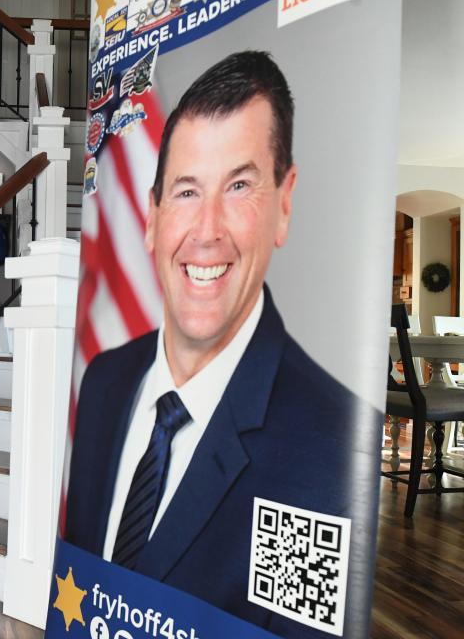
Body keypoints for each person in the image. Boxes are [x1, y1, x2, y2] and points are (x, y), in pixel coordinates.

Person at [63, 52, 366, 635]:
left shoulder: (334, 452)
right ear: (150, 217)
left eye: (239, 186)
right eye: (185, 192)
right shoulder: (102, 382)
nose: (206, 231)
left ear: (284, 200)